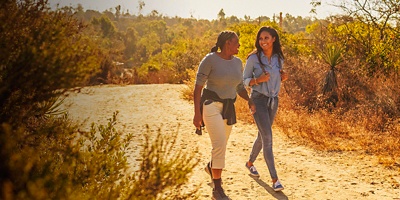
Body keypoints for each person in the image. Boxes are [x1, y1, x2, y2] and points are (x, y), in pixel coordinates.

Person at [193, 30, 254, 200]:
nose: (239, 45)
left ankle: (211, 167)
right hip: (210, 105)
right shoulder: (210, 59)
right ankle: (217, 189)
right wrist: (197, 114)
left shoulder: (237, 63)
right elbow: (198, 88)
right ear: (228, 43)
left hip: (228, 107)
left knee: (222, 145)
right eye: (237, 42)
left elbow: (239, 86)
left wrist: (249, 100)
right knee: (219, 144)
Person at [243, 26, 288, 192]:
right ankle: (275, 179)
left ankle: (249, 163)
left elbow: (279, 74)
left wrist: (283, 77)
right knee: (268, 137)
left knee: (262, 136)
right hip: (258, 100)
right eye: (261, 39)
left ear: (273, 39)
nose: (263, 42)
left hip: (273, 101)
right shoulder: (253, 59)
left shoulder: (278, 58)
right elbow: (244, 80)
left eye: (266, 38)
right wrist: (258, 80)